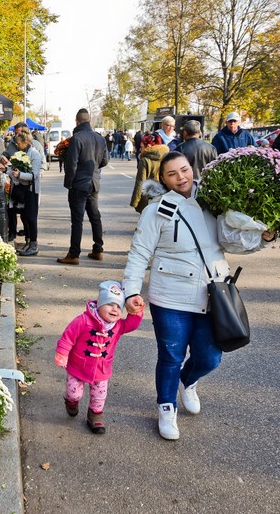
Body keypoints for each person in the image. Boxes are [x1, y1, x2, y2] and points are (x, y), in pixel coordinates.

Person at [123, 151, 232, 440]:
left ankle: (189, 381)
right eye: (172, 174)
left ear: (192, 169)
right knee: (171, 355)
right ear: (163, 179)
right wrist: (130, 291)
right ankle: (166, 406)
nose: (181, 177)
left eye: (184, 170)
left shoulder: (214, 202)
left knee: (210, 358)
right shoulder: (155, 210)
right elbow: (139, 254)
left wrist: (264, 235)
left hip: (213, 293)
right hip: (170, 297)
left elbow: (234, 240)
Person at [54, 281, 143, 434]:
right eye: (110, 304)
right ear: (99, 304)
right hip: (78, 365)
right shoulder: (83, 321)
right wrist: (62, 353)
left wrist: (136, 311)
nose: (114, 309)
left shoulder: (117, 326)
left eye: (118, 306)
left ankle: (95, 415)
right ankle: (71, 401)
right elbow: (68, 337)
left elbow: (132, 324)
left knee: (99, 395)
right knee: (74, 392)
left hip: (101, 368)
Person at [57, 108, 109, 265]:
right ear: (89, 120)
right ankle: (98, 249)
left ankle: (74, 254)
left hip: (79, 184)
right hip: (94, 182)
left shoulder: (77, 138)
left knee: (77, 220)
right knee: (95, 216)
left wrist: (69, 183)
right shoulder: (100, 138)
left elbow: (71, 164)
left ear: (77, 121)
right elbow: (105, 161)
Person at [0, 131, 42, 256]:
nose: (17, 146)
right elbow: (16, 170)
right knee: (25, 217)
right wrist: (7, 170)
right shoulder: (22, 153)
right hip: (21, 189)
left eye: (18, 143)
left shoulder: (35, 155)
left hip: (30, 190)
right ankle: (29, 243)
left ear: (26, 142)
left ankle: (33, 245)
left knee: (31, 218)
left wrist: (20, 174)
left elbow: (34, 175)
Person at [130, 135, 169, 213]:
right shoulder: (167, 156)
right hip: (165, 196)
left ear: (148, 146)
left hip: (149, 198)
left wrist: (135, 201)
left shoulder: (145, 160)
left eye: (142, 147)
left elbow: (140, 182)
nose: (140, 149)